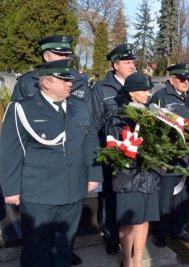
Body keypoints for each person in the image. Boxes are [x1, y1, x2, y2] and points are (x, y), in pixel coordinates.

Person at [0, 59, 102, 267]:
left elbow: (91, 141)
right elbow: (10, 150)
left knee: (64, 246)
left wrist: (94, 174)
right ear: (46, 83)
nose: (70, 82)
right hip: (39, 193)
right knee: (36, 249)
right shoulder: (23, 109)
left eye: (70, 78)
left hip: (72, 190)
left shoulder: (80, 106)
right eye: (64, 79)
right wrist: (10, 189)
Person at [104, 72, 161, 267]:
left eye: (148, 90)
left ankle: (138, 260)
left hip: (149, 175)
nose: (148, 94)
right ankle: (127, 260)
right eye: (143, 90)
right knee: (128, 222)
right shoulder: (118, 117)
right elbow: (112, 147)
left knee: (144, 220)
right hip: (128, 176)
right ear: (131, 93)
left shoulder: (153, 116)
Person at [90, 43, 137, 255]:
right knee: (109, 196)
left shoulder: (137, 85)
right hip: (111, 153)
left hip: (134, 153)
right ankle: (110, 235)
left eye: (133, 62)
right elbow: (94, 125)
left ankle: (127, 235)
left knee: (127, 195)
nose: (133, 65)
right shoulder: (101, 89)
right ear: (115, 65)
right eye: (128, 62)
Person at [150, 63, 189, 247]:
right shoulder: (160, 96)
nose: (186, 82)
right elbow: (153, 128)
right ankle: (160, 231)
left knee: (182, 196)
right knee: (164, 197)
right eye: (182, 79)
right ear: (172, 79)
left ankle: (178, 229)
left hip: (187, 155)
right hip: (168, 156)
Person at [12, 35, 89, 102]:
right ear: (46, 57)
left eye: (67, 54)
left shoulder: (79, 82)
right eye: (60, 54)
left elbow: (88, 115)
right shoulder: (26, 82)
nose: (65, 58)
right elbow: (15, 114)